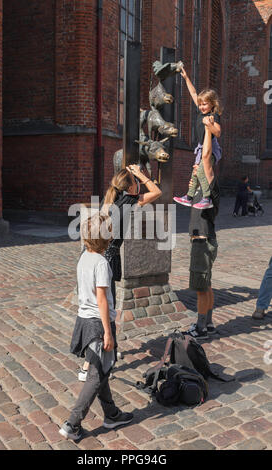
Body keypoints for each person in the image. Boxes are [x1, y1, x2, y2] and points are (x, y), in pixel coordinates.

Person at [78, 165, 162, 381]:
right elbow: (157, 192)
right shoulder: (128, 202)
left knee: (98, 307)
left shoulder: (110, 202)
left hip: (91, 257)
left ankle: (103, 354)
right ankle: (91, 364)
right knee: (106, 310)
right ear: (131, 186)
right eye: (135, 181)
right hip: (106, 259)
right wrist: (142, 175)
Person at [59, 214, 134, 441]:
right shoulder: (102, 263)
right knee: (95, 376)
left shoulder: (84, 257)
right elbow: (102, 298)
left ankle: (111, 414)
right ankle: (72, 423)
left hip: (84, 320)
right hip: (97, 324)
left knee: (101, 369)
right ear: (107, 237)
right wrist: (108, 331)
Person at [184, 126, 220, 339]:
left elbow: (205, 155)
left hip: (202, 241)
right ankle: (209, 322)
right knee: (206, 285)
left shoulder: (210, 188)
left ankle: (200, 328)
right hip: (206, 240)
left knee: (200, 287)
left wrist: (207, 128)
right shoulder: (199, 190)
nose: (195, 166)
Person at [173, 67, 222, 210]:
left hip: (211, 148)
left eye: (204, 104)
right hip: (201, 147)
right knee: (195, 173)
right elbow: (193, 92)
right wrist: (186, 77)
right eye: (200, 104)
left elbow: (218, 132)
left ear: (212, 103)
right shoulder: (201, 112)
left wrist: (210, 124)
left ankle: (207, 198)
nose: (201, 107)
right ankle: (189, 197)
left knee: (201, 171)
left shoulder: (214, 115)